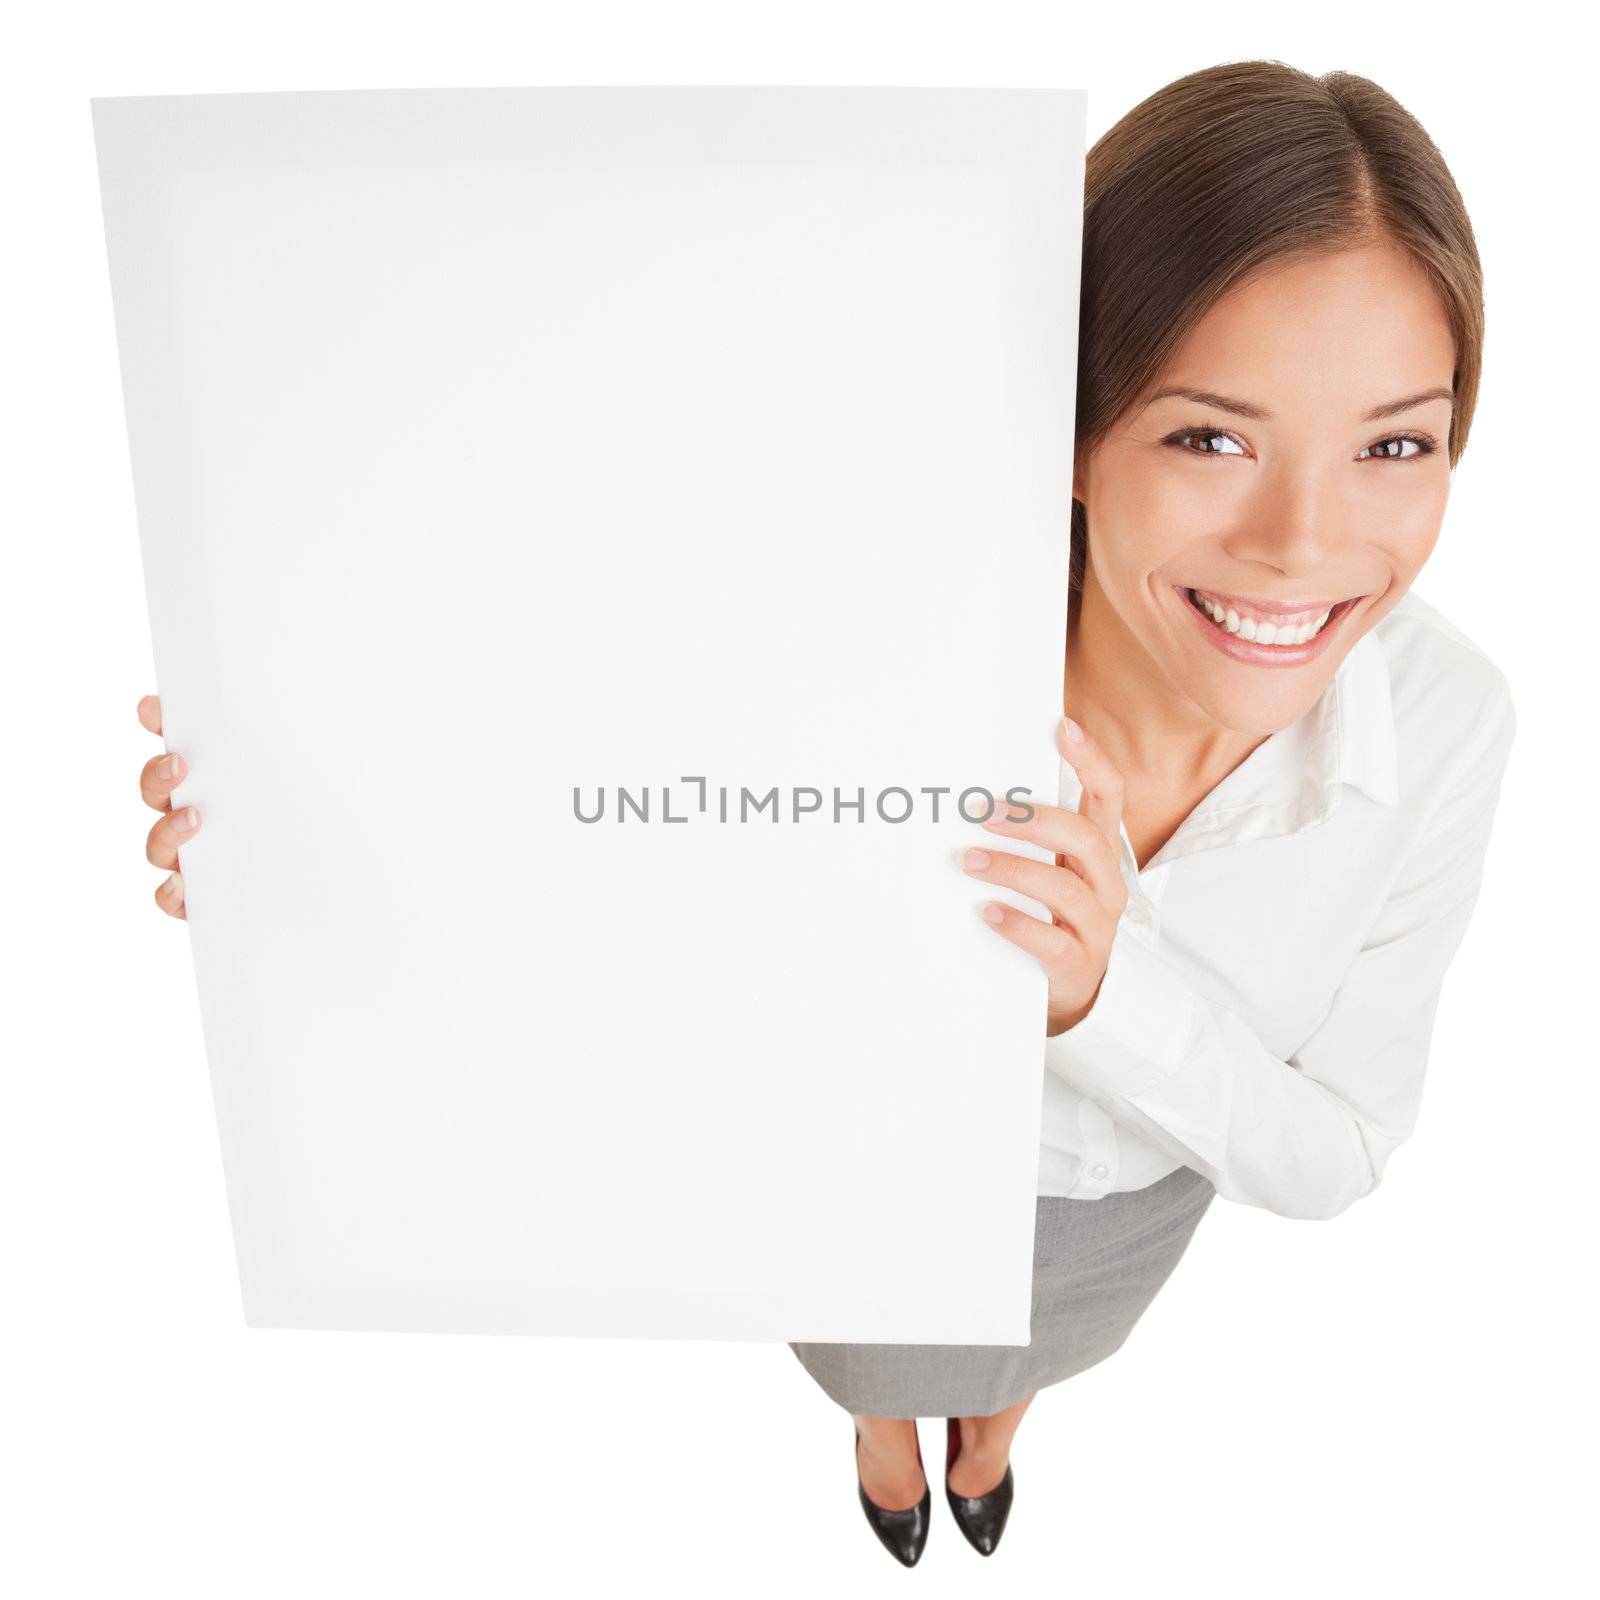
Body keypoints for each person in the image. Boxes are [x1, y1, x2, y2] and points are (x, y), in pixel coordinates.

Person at [135, 59, 1517, 1569]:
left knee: (1037, 1357)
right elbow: (587, 846)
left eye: (1396, 444)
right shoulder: (851, 623)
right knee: (876, 1361)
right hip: (841, 1177)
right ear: (1070, 418)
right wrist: (322, 859)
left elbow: (1338, 1147)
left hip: (1129, 1214)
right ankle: (882, 1434)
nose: (1302, 545)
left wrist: (1106, 997)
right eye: (1208, 436)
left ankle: (1000, 1429)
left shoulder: (1446, 727)